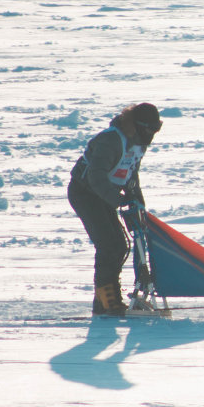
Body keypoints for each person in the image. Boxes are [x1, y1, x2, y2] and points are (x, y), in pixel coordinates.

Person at [68, 103, 162, 316]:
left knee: (120, 246)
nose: (153, 135)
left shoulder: (138, 142)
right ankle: (104, 304)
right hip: (85, 193)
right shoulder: (110, 140)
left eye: (157, 129)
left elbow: (131, 174)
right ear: (138, 125)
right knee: (109, 245)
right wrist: (117, 200)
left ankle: (110, 299)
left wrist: (138, 202)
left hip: (105, 195)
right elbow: (95, 176)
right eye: (151, 129)